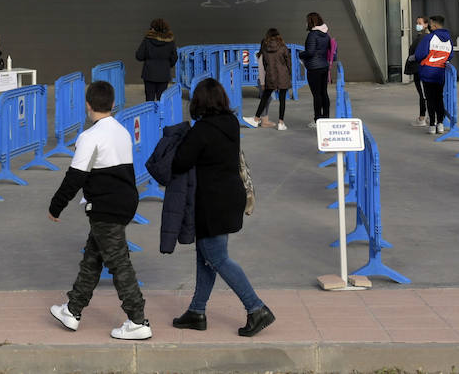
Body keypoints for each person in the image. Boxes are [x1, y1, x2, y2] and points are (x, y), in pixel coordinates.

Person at [168, 77, 274, 337]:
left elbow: (180, 162)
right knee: (206, 258)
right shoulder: (230, 124)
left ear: (199, 102)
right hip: (229, 198)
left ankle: (256, 308)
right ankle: (197, 311)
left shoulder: (202, 131)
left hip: (211, 203)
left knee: (217, 258)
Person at [48, 80, 152, 341]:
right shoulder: (122, 131)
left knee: (118, 262)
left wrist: (55, 206)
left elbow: (75, 177)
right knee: (93, 257)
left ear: (87, 105)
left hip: (106, 206)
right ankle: (72, 310)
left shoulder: (89, 137)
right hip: (126, 201)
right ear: (113, 104)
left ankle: (138, 320)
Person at [413, 14, 454, 135]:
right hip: (440, 73)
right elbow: (450, 55)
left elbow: (420, 54)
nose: (430, 26)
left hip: (427, 72)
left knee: (429, 98)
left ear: (435, 25)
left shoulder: (429, 38)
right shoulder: (448, 40)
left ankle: (432, 125)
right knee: (439, 98)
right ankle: (440, 124)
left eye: (430, 24)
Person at [243, 28, 291, 130]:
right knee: (282, 100)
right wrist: (288, 75)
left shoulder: (265, 48)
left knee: (264, 98)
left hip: (271, 76)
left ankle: (256, 120)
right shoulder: (283, 47)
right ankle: (281, 123)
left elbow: (264, 64)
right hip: (283, 76)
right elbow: (288, 63)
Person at [134, 18, 178, 103]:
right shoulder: (170, 41)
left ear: (153, 28)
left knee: (149, 100)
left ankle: (150, 116)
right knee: (161, 100)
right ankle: (161, 116)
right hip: (164, 74)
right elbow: (174, 57)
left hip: (149, 74)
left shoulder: (147, 40)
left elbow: (139, 56)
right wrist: (168, 65)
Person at [300, 12, 332, 128]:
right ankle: (326, 117)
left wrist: (300, 54)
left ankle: (318, 120)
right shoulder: (326, 34)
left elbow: (310, 52)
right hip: (324, 66)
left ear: (311, 22)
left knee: (316, 95)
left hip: (314, 68)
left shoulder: (312, 35)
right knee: (324, 93)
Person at [403, 17, 430, 126]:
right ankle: (428, 117)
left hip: (420, 69)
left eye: (420, 23)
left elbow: (421, 53)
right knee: (424, 94)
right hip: (421, 68)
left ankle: (423, 118)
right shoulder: (422, 37)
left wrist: (412, 58)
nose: (417, 25)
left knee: (423, 94)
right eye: (417, 23)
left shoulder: (423, 37)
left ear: (426, 25)